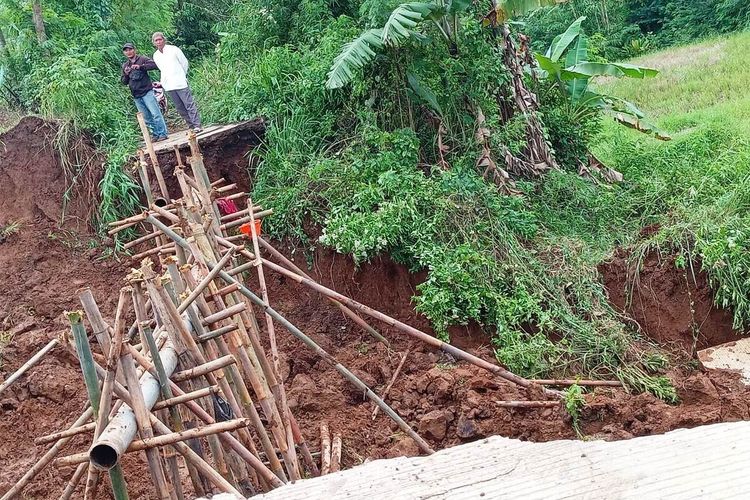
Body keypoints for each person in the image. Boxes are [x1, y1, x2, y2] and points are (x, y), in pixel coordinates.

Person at [151, 32, 202, 132]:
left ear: (164, 40)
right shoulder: (156, 55)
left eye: (160, 39)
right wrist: (163, 83)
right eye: (156, 40)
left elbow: (184, 63)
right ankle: (191, 126)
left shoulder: (174, 49)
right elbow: (162, 70)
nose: (158, 42)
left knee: (189, 104)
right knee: (180, 108)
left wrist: (182, 75)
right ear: (154, 42)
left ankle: (197, 125)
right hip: (169, 85)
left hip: (180, 82)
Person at [120, 42, 169, 142]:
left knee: (155, 113)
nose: (128, 52)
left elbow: (155, 65)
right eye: (126, 50)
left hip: (147, 92)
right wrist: (126, 73)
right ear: (124, 53)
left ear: (134, 50)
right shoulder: (125, 65)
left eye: (130, 49)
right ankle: (155, 135)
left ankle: (163, 133)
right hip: (136, 95)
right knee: (146, 117)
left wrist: (140, 67)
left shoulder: (142, 59)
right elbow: (124, 82)